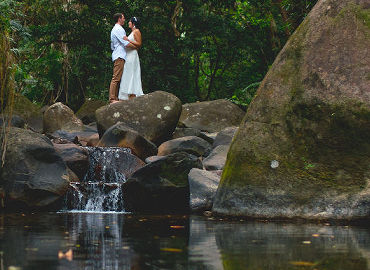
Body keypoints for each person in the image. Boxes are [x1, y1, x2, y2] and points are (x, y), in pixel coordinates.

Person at [109, 13, 136, 103]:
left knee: (119, 77)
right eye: (123, 18)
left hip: (119, 54)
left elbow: (112, 46)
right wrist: (136, 46)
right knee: (116, 77)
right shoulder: (118, 29)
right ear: (119, 19)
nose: (124, 20)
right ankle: (112, 99)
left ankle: (116, 97)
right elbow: (125, 43)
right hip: (119, 55)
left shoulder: (117, 29)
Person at [118, 17, 143, 100]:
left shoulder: (137, 31)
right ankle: (128, 94)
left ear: (133, 23)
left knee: (132, 73)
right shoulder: (132, 32)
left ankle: (132, 93)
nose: (128, 22)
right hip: (128, 55)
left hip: (133, 55)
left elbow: (139, 44)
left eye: (129, 21)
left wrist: (128, 40)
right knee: (127, 73)